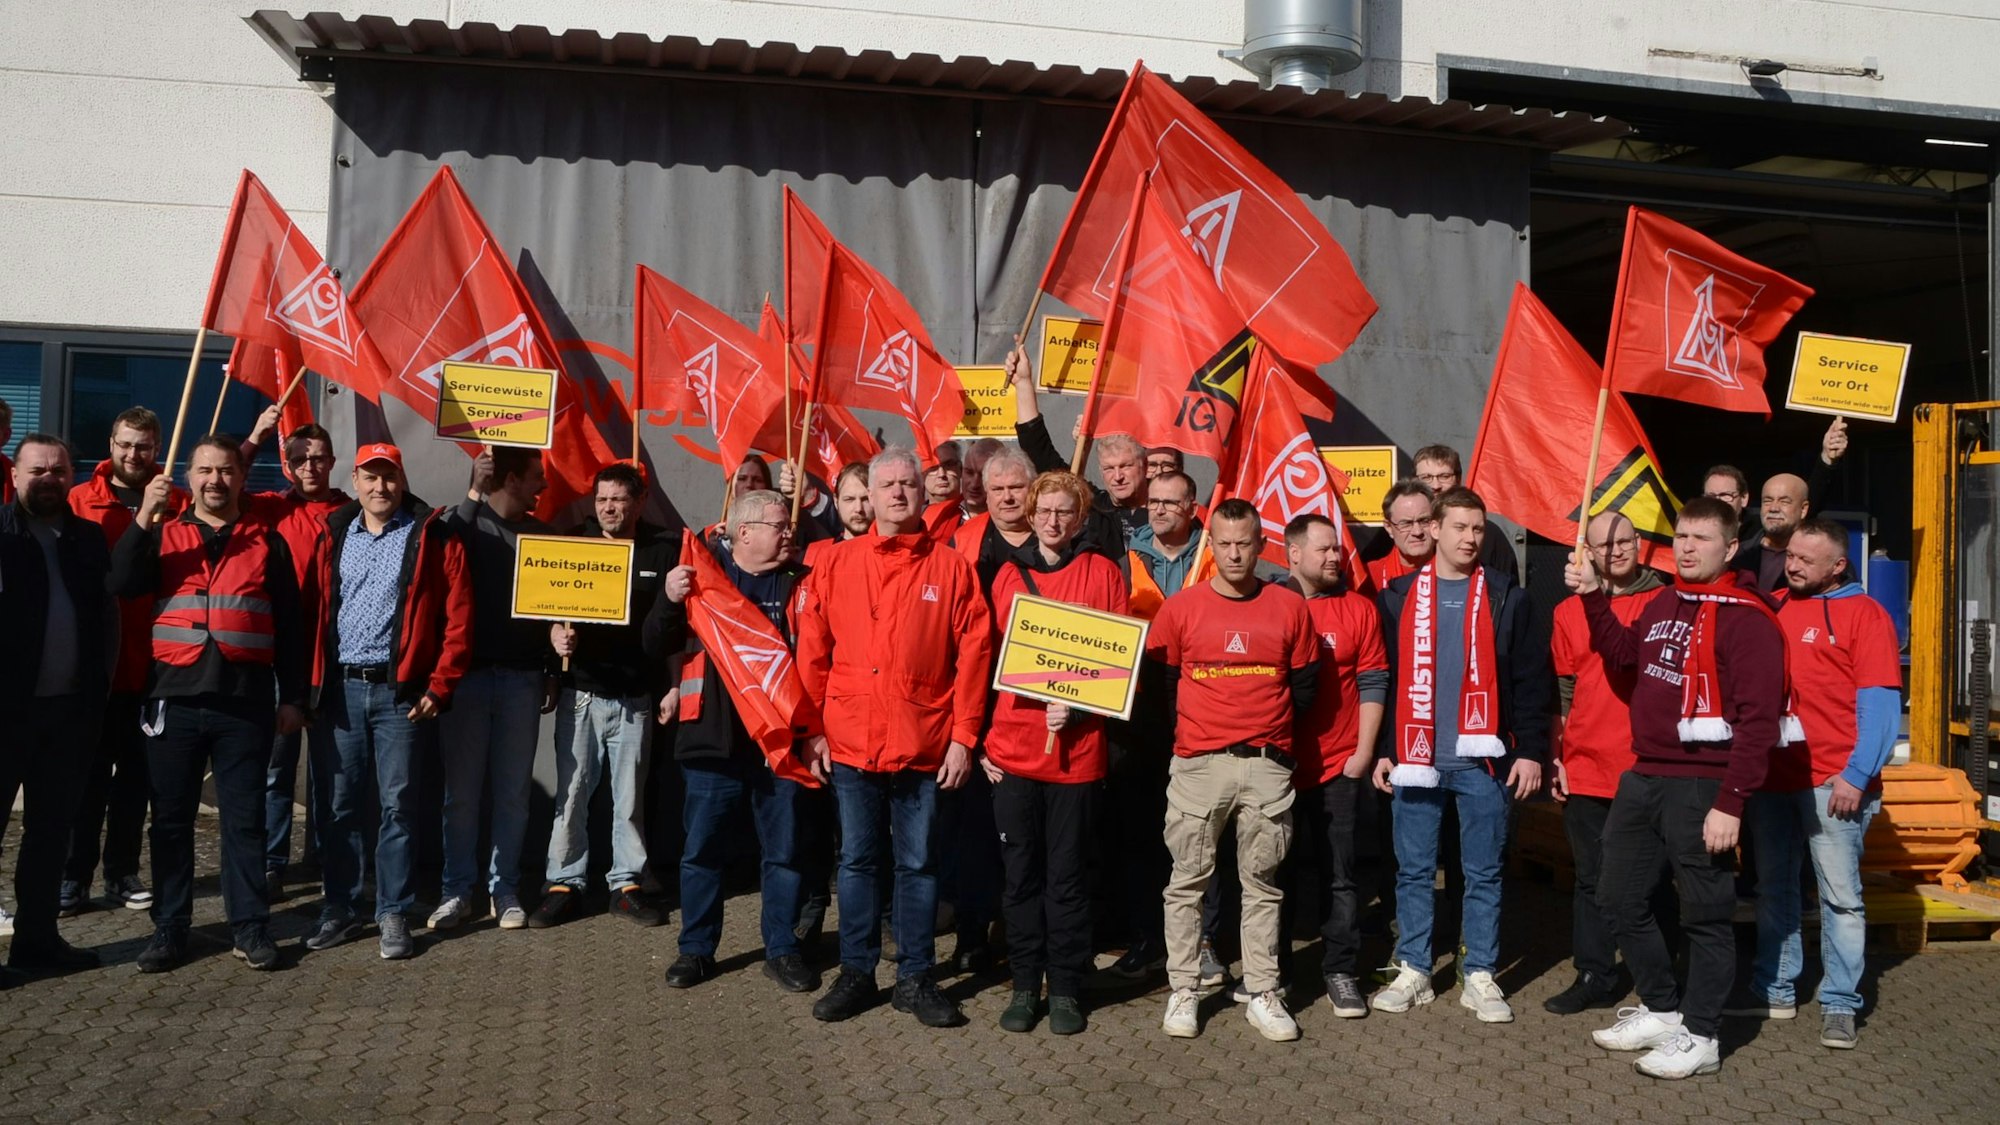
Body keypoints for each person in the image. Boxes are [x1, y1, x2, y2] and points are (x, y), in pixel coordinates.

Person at [1563, 495, 1786, 1079]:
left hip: (1705, 782)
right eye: (1681, 537)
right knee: (1616, 896)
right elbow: (1622, 655)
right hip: (1645, 773)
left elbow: (1760, 722)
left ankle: (1703, 1035)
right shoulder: (1667, 599)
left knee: (1705, 913)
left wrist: (1731, 804)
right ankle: (1662, 1007)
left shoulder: (1749, 618)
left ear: (1731, 548)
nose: (1686, 548)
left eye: (1701, 539)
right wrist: (1592, 594)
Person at [796, 447, 993, 1028]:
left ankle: (916, 977)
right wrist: (809, 729)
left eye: (909, 484)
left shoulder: (952, 567)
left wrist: (963, 737)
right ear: (870, 495)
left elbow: (974, 657)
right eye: (888, 486)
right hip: (851, 740)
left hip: (924, 741)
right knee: (856, 862)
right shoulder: (835, 563)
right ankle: (856, 973)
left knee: (918, 864)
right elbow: (813, 652)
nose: (900, 494)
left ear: (921, 492)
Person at [112, 436, 308, 972]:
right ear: (188, 477)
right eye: (204, 471)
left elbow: (293, 627)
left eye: (225, 471)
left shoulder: (269, 542)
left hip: (243, 703)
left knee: (245, 821)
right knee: (169, 822)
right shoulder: (163, 534)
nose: (215, 481)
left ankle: (250, 927)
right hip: (171, 701)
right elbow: (122, 582)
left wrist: (292, 697)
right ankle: (170, 929)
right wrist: (145, 517)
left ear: (242, 478)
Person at [1371, 487, 1548, 1023]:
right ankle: (1416, 969)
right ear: (1435, 531)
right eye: (1460, 528)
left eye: (1478, 530)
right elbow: (1386, 680)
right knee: (1414, 871)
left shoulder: (1505, 598)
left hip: (1484, 764)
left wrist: (1533, 751)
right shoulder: (1397, 597)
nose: (1470, 538)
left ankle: (1480, 974)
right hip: (1417, 760)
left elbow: (1531, 681)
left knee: (1484, 872)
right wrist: (1384, 751)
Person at [1148, 499, 1320, 1043]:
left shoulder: (1289, 607)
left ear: (1261, 541)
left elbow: (1305, 687)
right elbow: (1164, 686)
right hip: (1199, 765)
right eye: (1224, 543)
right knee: (1186, 883)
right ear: (1211, 544)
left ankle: (1263, 990)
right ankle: (1184, 989)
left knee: (1263, 886)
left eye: (1244, 542)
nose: (1235, 552)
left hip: (1267, 766)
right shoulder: (1181, 608)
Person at [1726, 517, 1900, 1050]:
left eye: (1805, 558)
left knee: (1840, 899)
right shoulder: (1776, 605)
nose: (1792, 564)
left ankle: (1840, 1003)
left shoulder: (1865, 614)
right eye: (1791, 556)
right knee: (1774, 889)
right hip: (1775, 779)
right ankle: (1775, 987)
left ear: (1837, 564)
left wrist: (1858, 774)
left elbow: (1881, 703)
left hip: (1834, 783)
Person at [645, 488, 821, 992]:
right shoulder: (703, 582)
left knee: (783, 854)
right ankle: (696, 950)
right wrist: (669, 599)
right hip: (712, 744)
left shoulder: (801, 585)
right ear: (743, 533)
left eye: (789, 526)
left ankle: (782, 949)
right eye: (777, 525)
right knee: (702, 853)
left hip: (779, 744)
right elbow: (654, 642)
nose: (788, 532)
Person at [307, 442, 472, 960]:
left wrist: (439, 686)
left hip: (401, 696)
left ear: (402, 480)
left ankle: (394, 912)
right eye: (370, 478)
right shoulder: (332, 535)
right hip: (339, 693)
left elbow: (459, 620)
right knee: (337, 806)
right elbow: (311, 612)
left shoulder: (431, 535)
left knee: (399, 807)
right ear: (354, 481)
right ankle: (340, 907)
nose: (380, 488)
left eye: (390, 477)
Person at [982, 471, 1128, 1036]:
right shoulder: (1007, 575)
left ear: (1081, 518)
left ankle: (1065, 986)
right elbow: (984, 660)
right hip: (1013, 752)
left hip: (1076, 757)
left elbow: (1118, 665)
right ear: (1031, 513)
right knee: (1019, 878)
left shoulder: (1103, 573)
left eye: (1065, 512)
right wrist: (980, 746)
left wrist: (1082, 707)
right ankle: (1024, 985)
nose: (1052, 521)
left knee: (1067, 878)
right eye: (1045, 510)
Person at [526, 464, 673, 930]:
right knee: (571, 796)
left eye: (619, 499)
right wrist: (554, 640)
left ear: (640, 500)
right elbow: (541, 610)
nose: (609, 508)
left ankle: (626, 884)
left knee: (629, 801)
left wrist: (671, 686)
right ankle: (564, 883)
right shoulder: (571, 544)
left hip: (635, 697)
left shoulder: (662, 548)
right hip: (581, 693)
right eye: (603, 499)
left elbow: (675, 631)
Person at [0, 435, 115, 982]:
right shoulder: (0, 536)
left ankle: (37, 941)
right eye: (38, 470)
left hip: (68, 713)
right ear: (17, 476)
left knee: (50, 835)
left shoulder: (87, 539)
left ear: (72, 476)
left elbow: (106, 617)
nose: (48, 478)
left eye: (58, 470)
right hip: (5, 715)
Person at [63, 407, 183, 918]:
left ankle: (121, 872)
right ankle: (73, 877)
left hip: (153, 664)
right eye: (126, 444)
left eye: (145, 446)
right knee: (85, 779)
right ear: (110, 443)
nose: (135, 454)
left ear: (159, 449)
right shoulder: (80, 501)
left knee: (136, 780)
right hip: (94, 666)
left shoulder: (178, 502)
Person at [1545, 511, 1665, 1015]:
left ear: (1640, 543)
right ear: (1586, 553)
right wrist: (1559, 756)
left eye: (1623, 540)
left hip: (1648, 766)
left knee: (1653, 881)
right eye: (1602, 544)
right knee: (1591, 880)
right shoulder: (1568, 611)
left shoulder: (1666, 602)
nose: (1614, 550)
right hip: (1589, 764)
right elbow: (1564, 690)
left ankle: (1659, 977)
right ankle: (1594, 972)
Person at [435, 446, 558, 931]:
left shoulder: (545, 537)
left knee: (512, 794)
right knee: (460, 795)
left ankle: (504, 888)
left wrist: (553, 666)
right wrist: (473, 491)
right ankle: (455, 890)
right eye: (535, 478)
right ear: (509, 479)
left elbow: (556, 610)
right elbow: (445, 546)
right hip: (466, 681)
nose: (543, 487)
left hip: (523, 681)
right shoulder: (463, 522)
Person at [1278, 513, 1388, 1018]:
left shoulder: (1358, 609)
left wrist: (1362, 755)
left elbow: (1373, 683)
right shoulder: (1268, 604)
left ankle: (1340, 971)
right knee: (1270, 874)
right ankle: (1271, 975)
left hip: (1338, 766)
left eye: (1336, 549)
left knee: (1340, 875)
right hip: (1275, 766)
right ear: (1292, 553)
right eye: (1322, 549)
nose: (1333, 557)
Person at [243, 418, 350, 895]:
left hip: (335, 659)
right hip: (282, 659)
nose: (311, 466)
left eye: (319, 457)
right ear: (287, 466)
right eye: (301, 458)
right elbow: (223, 482)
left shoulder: (351, 510)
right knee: (276, 771)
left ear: (331, 462)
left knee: (333, 771)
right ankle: (271, 862)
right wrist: (255, 439)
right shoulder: (269, 509)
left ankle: (331, 859)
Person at [1005, 342, 1143, 548]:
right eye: (1109, 468)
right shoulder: (1093, 507)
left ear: (1144, 464)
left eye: (1125, 466)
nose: (1118, 477)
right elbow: (1037, 449)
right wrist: (1024, 383)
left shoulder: (1166, 506)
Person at [1411, 445, 1518, 580]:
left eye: (1444, 476)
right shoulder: (1403, 531)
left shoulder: (1489, 534)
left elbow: (1508, 591)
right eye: (1426, 477)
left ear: (1458, 479)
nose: (1435, 486)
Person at [1126, 470, 1200, 619]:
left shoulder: (1213, 561)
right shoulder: (1126, 565)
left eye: (1169, 503)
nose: (1159, 511)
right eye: (1153, 502)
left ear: (1192, 510)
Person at [1737, 473, 1809, 593]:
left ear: (1803, 509)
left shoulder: (1820, 560)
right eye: (1767, 501)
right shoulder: (1738, 556)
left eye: (1784, 502)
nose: (1773, 508)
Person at [1365, 480, 1436, 592]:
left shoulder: (1457, 571)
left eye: (1424, 521)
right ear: (1389, 527)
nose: (1417, 532)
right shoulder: (1369, 576)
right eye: (1406, 524)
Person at [960, 437, 1003, 517]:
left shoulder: (1012, 522)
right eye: (969, 472)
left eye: (983, 475)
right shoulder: (941, 515)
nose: (974, 484)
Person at [924, 440, 963, 508]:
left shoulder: (976, 515)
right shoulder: (914, 517)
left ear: (960, 469)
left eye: (948, 465)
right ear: (922, 474)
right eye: (933, 467)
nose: (941, 474)